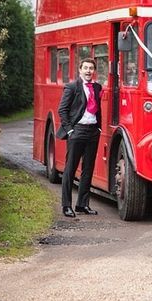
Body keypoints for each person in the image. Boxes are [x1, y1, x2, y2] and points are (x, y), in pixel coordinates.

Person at [57, 58, 102, 217]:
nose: (89, 71)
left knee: (88, 170)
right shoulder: (72, 87)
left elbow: (97, 109)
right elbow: (62, 110)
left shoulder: (97, 87)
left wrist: (99, 127)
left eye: (91, 68)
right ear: (80, 70)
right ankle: (66, 206)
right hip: (77, 131)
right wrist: (70, 131)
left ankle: (82, 205)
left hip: (93, 132)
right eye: (86, 68)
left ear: (94, 71)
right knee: (70, 169)